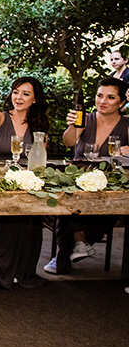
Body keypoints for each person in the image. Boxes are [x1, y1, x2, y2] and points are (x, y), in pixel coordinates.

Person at [0, 76, 48, 288]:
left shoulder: (39, 126)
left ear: (34, 99)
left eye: (25, 93)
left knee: (23, 209)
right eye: (16, 92)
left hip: (23, 184)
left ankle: (0, 263)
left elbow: (40, 160)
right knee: (13, 209)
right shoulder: (1, 119)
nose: (19, 97)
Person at [49, 77, 129, 274]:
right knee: (68, 203)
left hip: (110, 184)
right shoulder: (85, 118)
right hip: (77, 179)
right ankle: (80, 243)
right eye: (99, 95)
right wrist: (72, 127)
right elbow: (69, 142)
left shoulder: (126, 125)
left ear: (121, 102)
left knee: (93, 207)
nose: (103, 101)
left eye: (110, 97)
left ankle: (64, 254)